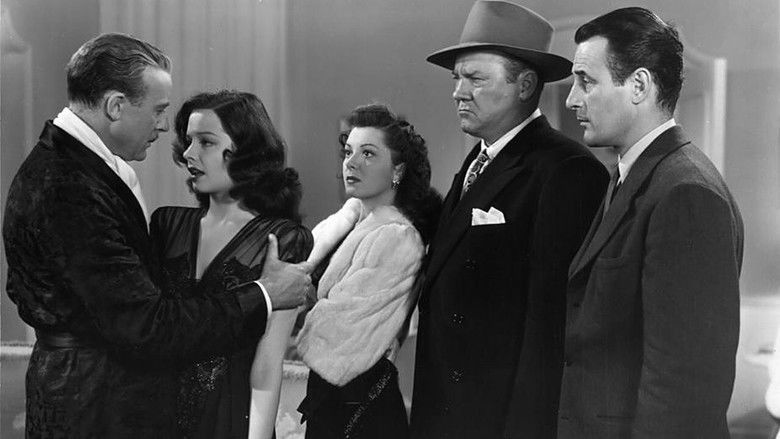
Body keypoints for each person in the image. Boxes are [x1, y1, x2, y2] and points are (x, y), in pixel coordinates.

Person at [2, 33, 311, 438]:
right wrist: (265, 295)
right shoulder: (69, 185)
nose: (165, 127)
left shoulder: (79, 168)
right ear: (115, 106)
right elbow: (146, 326)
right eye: (158, 110)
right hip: (92, 411)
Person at [409, 2, 609, 438]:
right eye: (456, 78)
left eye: (475, 78)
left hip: (496, 421)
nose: (458, 92)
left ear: (525, 85)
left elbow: (549, 333)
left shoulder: (567, 170)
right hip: (446, 412)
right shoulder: (477, 162)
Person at [558, 8, 744, 438]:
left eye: (586, 81)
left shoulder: (686, 193)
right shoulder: (633, 175)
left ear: (639, 85)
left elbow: (685, 392)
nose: (571, 99)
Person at [154, 90, 312, 438]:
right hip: (159, 418)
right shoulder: (167, 225)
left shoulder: (282, 238)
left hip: (231, 420)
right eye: (188, 141)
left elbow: (267, 366)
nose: (189, 153)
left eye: (206, 142)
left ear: (246, 151)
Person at [295, 103, 442, 439]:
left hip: (362, 404)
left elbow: (339, 332)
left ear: (398, 170)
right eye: (348, 151)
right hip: (334, 397)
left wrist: (299, 302)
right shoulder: (352, 224)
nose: (351, 162)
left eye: (369, 154)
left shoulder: (397, 237)